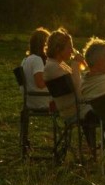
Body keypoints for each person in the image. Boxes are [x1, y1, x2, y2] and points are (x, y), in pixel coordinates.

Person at [42, 28, 98, 157]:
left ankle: (96, 150)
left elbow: (77, 81)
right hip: (74, 111)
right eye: (69, 47)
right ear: (58, 49)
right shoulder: (53, 67)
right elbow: (78, 91)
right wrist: (75, 64)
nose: (72, 51)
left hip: (77, 107)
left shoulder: (58, 64)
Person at [20, 27, 51, 153]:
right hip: (41, 101)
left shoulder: (25, 60)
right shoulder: (37, 60)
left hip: (29, 101)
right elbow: (40, 83)